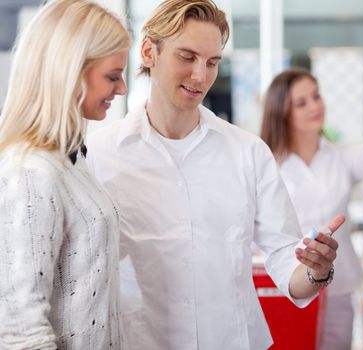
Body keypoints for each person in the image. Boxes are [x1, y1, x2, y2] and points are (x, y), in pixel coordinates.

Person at [86, 0, 343, 349]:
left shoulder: (247, 152)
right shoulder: (99, 154)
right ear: (149, 51)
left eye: (212, 62)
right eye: (187, 57)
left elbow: (286, 262)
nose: (200, 76)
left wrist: (317, 270)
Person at [0, 1, 130, 349]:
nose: (122, 90)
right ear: (70, 71)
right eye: (113, 76)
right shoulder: (30, 171)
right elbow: (21, 330)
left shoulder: (71, 162)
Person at [261, 67, 363, 350]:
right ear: (283, 113)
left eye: (316, 96)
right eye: (301, 103)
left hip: (339, 289)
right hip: (286, 290)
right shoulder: (267, 166)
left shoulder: (339, 157)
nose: (315, 106)